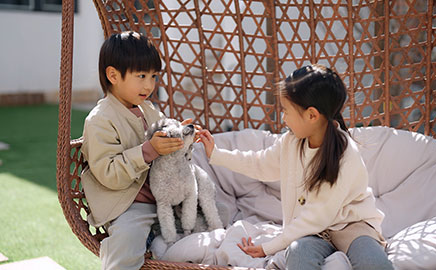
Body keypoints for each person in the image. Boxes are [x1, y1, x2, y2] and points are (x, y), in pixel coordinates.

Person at [198, 64, 393, 269]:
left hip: (352, 224)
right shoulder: (291, 143)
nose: (283, 118)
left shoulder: (345, 155)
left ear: (311, 115)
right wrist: (217, 154)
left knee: (373, 261)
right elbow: (259, 164)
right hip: (314, 232)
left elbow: (316, 216)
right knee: (298, 253)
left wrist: (269, 247)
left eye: (286, 110)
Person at [81, 31, 195, 270]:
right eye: (141, 75)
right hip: (129, 204)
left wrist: (179, 133)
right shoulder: (100, 120)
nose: (149, 85)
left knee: (211, 209)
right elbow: (108, 173)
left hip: (162, 195)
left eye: (153, 76)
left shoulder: (146, 109)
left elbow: (164, 128)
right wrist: (147, 151)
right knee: (127, 238)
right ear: (113, 75)